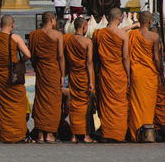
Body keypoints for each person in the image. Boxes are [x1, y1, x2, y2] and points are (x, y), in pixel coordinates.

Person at [0, 15, 31, 143]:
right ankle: (17, 135)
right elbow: (28, 54)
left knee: (3, 104)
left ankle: (5, 135)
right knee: (18, 104)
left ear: (0, 25)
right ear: (12, 26)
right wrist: (20, 60)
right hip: (12, 77)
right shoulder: (15, 38)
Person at [92, 8, 130, 142]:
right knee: (120, 105)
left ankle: (107, 134)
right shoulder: (124, 35)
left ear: (108, 18)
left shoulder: (99, 34)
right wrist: (128, 75)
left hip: (105, 73)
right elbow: (125, 58)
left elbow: (94, 57)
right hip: (119, 74)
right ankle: (118, 135)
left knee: (106, 103)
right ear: (119, 19)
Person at [29, 11, 64, 143]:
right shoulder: (58, 35)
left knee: (41, 100)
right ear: (51, 20)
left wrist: (37, 67)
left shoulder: (34, 35)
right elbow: (60, 56)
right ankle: (49, 134)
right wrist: (62, 74)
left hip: (41, 71)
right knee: (53, 102)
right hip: (53, 71)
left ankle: (40, 134)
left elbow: (32, 55)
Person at [128, 11, 162, 142]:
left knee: (136, 104)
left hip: (136, 73)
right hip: (149, 74)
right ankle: (147, 133)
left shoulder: (131, 35)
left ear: (138, 20)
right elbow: (156, 58)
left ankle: (135, 134)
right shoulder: (154, 36)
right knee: (148, 105)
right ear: (150, 22)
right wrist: (160, 71)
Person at [63, 17, 97, 143]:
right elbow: (89, 63)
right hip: (83, 77)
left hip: (73, 75)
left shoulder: (67, 40)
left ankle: (74, 135)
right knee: (84, 106)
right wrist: (91, 82)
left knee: (73, 105)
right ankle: (85, 135)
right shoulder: (88, 42)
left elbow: (63, 58)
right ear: (83, 27)